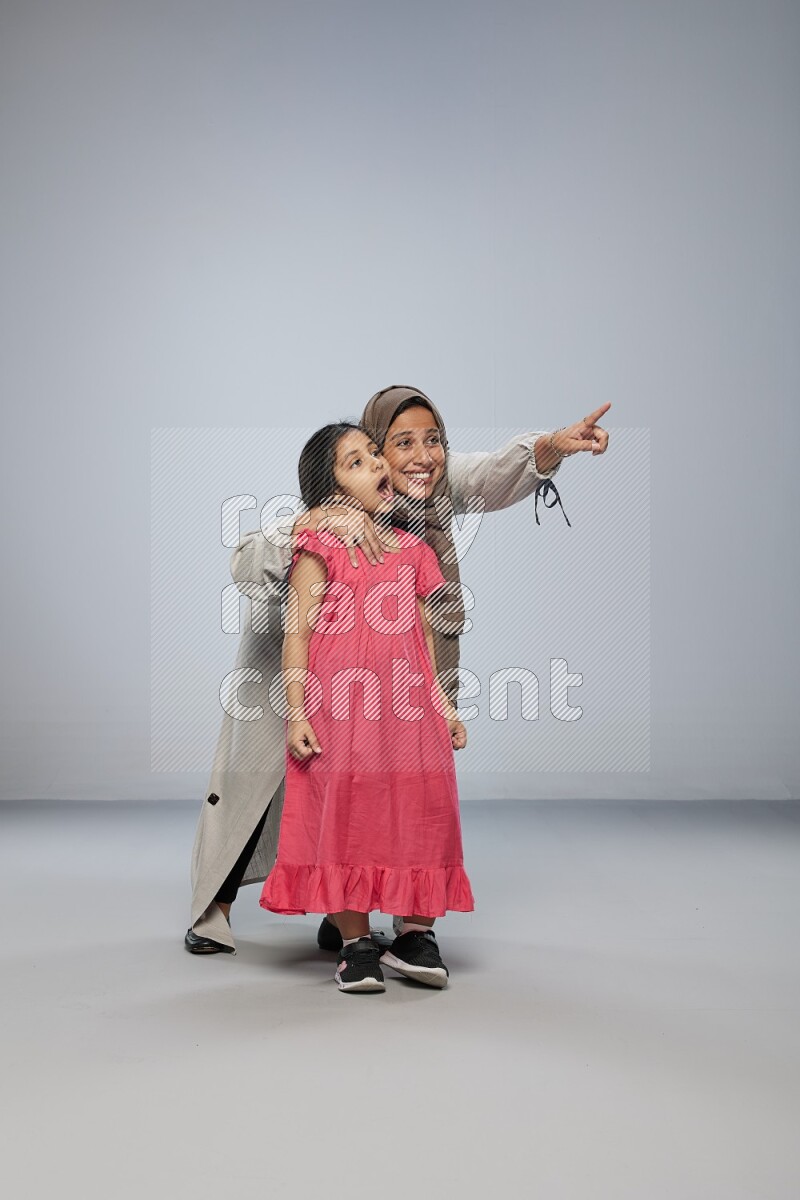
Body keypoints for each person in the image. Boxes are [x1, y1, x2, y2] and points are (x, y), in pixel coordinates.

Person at [185, 386, 610, 956]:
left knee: (379, 792)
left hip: (392, 678)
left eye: (433, 442)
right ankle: (213, 906)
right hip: (296, 668)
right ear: (371, 453)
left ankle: (350, 917)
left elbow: (491, 474)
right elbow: (244, 561)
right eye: (401, 443)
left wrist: (554, 446)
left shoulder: (426, 485)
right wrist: (314, 522)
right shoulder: (327, 514)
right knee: (261, 786)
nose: (421, 457)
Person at [260, 422, 473, 992]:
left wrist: (443, 705)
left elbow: (425, 639)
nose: (377, 465)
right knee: (347, 816)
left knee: (420, 810)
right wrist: (299, 712)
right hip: (340, 713)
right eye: (355, 462)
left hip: (408, 715)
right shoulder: (318, 547)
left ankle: (414, 935)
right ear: (329, 492)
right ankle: (356, 943)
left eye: (374, 454)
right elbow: (297, 633)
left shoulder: (415, 551)